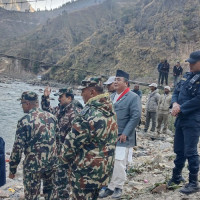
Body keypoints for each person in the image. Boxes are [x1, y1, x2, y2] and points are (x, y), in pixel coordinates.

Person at [60, 77, 118, 200]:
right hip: (104, 171)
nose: (81, 94)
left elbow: (70, 146)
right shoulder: (110, 109)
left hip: (85, 174)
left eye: (83, 91)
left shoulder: (87, 114)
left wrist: (62, 164)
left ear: (92, 92)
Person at [99, 70, 141, 199]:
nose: (115, 82)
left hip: (123, 137)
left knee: (119, 162)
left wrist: (125, 133)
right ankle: (110, 187)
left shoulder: (133, 97)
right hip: (110, 136)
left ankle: (119, 187)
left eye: (119, 80)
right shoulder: (112, 97)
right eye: (115, 80)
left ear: (126, 83)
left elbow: (136, 116)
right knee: (110, 162)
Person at [9, 91, 58, 199]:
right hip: (52, 164)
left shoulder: (24, 121)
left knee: (31, 195)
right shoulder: (52, 117)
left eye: (21, 103)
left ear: (27, 103)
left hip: (33, 166)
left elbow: (17, 148)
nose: (21, 107)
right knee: (51, 194)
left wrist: (12, 169)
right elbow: (57, 141)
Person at [167, 50, 200, 194]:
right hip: (180, 119)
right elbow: (176, 92)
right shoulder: (187, 77)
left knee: (190, 151)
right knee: (178, 149)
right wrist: (174, 104)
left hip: (192, 120)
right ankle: (176, 176)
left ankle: (193, 182)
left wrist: (181, 108)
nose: (190, 65)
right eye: (189, 62)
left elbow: (198, 100)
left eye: (193, 62)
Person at [41, 87, 83, 199]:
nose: (59, 99)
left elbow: (78, 137)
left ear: (69, 98)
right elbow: (47, 112)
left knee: (63, 183)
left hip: (68, 155)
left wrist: (69, 156)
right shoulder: (61, 108)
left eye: (61, 96)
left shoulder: (75, 112)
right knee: (57, 181)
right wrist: (46, 97)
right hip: (58, 152)